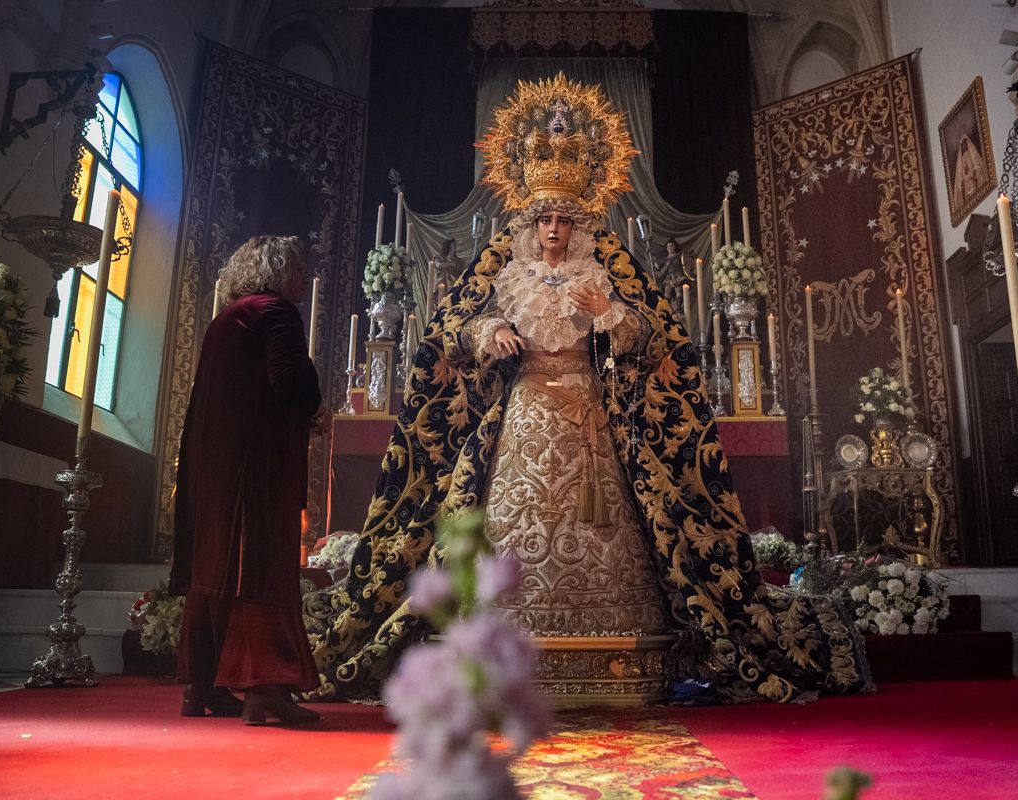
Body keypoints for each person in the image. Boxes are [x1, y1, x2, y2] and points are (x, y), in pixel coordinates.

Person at [304, 73, 871, 704]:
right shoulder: (506, 270)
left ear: (579, 224)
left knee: (605, 524)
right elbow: (451, 331)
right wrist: (488, 330)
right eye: (544, 218)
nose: (553, 229)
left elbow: (654, 339)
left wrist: (608, 313)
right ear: (530, 221)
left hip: (588, 417)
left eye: (564, 220)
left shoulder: (604, 269)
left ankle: (615, 637)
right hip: (521, 415)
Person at [170, 235, 323, 725]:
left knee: (214, 564)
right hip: (253, 463)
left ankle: (202, 686)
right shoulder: (274, 312)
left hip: (214, 458)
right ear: (279, 271)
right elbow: (287, 379)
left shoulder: (228, 316)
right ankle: (265, 691)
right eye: (299, 269)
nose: (304, 278)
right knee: (258, 561)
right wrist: (314, 410)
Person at [951, 133, 987, 209]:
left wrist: (971, 173)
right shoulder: (962, 158)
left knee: (974, 192)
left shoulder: (970, 154)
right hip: (967, 182)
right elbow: (961, 172)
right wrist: (965, 176)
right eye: (962, 145)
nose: (964, 146)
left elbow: (975, 166)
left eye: (965, 144)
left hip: (971, 179)